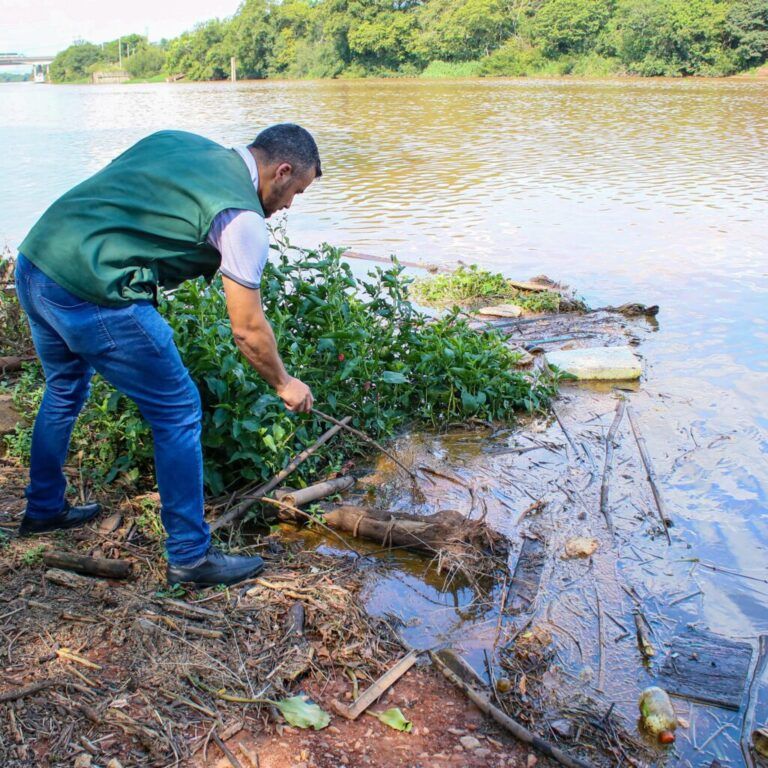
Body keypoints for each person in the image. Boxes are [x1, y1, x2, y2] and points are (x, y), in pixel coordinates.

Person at [14, 124, 319, 587]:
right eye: (296, 191)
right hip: (96, 292)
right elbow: (247, 329)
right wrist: (284, 383)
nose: (289, 206)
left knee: (64, 387)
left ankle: (43, 510)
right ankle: (191, 558)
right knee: (178, 410)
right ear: (281, 171)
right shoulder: (241, 219)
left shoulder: (180, 142)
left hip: (37, 264)